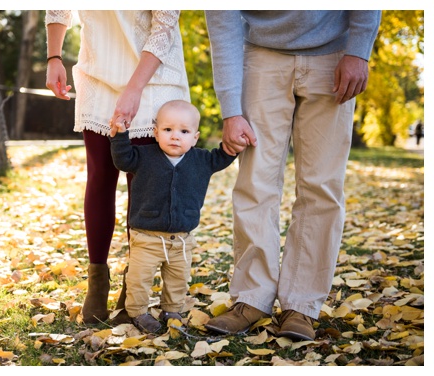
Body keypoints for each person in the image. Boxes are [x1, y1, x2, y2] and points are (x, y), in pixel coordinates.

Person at [203, 11, 381, 341]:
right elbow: (222, 18)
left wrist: (358, 49)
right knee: (255, 181)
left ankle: (302, 304)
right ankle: (251, 298)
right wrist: (231, 111)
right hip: (260, 52)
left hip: (334, 53)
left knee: (322, 186)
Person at [45, 10, 190, 324]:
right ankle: (97, 281)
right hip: (98, 74)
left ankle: (133, 284)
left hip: (153, 80)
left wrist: (133, 90)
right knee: (100, 177)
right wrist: (54, 56)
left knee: (143, 186)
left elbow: (165, 24)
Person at [109, 100, 236, 333]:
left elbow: (223, 156)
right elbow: (122, 159)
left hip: (182, 239)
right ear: (156, 133)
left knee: (178, 279)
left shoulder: (201, 160)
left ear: (195, 138)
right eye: (168, 130)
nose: (175, 136)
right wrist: (120, 135)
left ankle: (172, 309)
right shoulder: (144, 156)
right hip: (146, 237)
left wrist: (235, 143)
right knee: (139, 280)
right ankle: (137, 312)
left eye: (184, 131)